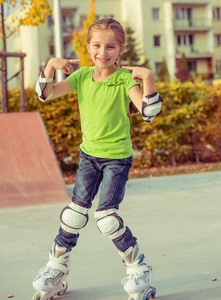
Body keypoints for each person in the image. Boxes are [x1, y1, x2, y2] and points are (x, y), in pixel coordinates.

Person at [34, 18, 162, 299]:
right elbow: (46, 95)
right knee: (74, 214)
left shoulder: (124, 79)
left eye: (110, 46)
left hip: (117, 159)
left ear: (121, 49)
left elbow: (148, 112)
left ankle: (137, 266)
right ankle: (56, 267)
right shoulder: (81, 77)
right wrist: (50, 66)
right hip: (88, 156)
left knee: (105, 217)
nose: (102, 52)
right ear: (88, 47)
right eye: (96, 45)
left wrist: (148, 78)